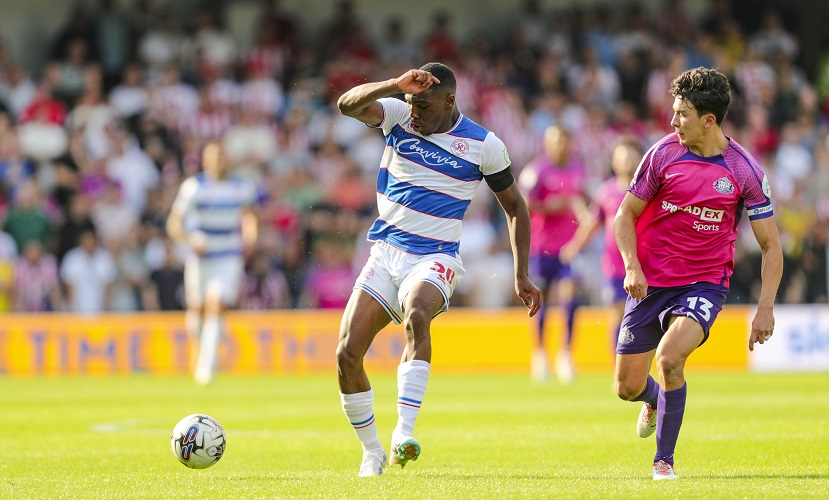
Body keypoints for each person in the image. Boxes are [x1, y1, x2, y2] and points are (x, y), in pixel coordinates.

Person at [335, 62, 541, 476]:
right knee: (346, 355)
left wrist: (521, 272)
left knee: (417, 314)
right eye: (411, 103)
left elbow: (516, 208)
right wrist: (394, 85)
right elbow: (346, 105)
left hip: (436, 256)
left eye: (424, 106)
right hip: (386, 253)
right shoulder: (398, 114)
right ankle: (372, 451)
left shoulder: (484, 145)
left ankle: (404, 432)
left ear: (449, 101)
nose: (415, 113)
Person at [613, 67, 782, 480]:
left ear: (709, 120)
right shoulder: (662, 155)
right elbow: (624, 215)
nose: (673, 121)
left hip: (704, 283)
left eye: (681, 114)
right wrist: (632, 265)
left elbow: (771, 246)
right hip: (650, 281)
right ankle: (655, 399)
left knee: (669, 359)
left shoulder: (744, 170)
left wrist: (765, 309)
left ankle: (664, 462)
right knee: (627, 387)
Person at [166, 140, 258, 385]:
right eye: (214, 156)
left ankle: (206, 367)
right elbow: (174, 224)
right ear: (205, 160)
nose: (218, 160)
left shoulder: (241, 187)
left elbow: (249, 216)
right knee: (197, 310)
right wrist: (190, 240)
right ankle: (206, 346)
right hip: (201, 257)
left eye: (221, 156)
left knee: (216, 304)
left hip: (228, 256)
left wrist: (250, 238)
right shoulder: (194, 187)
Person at [560, 137, 642, 355]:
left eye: (631, 156)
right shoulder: (606, 192)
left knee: (642, 317)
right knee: (618, 316)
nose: (626, 161)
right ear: (614, 161)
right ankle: (618, 365)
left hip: (645, 265)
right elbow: (592, 224)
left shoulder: (648, 190)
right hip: (615, 266)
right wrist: (575, 246)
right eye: (621, 156)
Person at [518, 125, 587, 384]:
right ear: (547, 143)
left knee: (570, 297)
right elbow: (523, 204)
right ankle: (540, 355)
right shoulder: (536, 171)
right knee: (541, 301)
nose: (561, 146)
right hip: (541, 246)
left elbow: (583, 199)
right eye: (556, 141)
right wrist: (549, 206)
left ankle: (565, 355)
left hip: (570, 247)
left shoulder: (578, 169)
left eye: (565, 141)